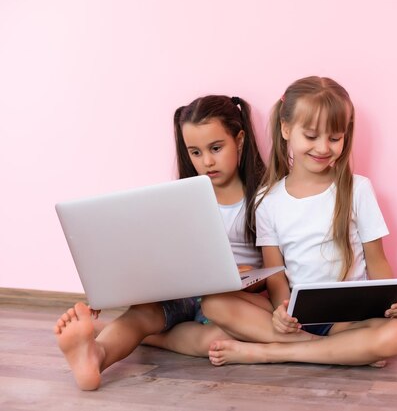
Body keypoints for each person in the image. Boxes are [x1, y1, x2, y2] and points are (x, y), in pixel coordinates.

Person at [53, 95, 267, 390]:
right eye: (195, 152)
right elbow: (160, 252)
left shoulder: (263, 198)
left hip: (229, 299)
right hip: (183, 289)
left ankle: (140, 336)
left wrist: (244, 279)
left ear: (240, 140)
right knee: (143, 313)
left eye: (216, 148)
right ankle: (95, 355)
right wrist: (115, 288)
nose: (206, 161)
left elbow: (272, 268)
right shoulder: (181, 197)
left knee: (220, 341)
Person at [202, 76, 397, 367]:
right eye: (312, 136)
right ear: (286, 129)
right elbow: (276, 274)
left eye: (335, 138)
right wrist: (282, 309)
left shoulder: (357, 189)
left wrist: (395, 301)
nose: (323, 148)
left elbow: (377, 261)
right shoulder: (268, 199)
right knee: (214, 303)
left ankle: (273, 353)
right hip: (296, 317)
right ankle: (340, 351)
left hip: (348, 319)